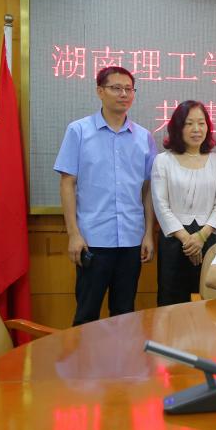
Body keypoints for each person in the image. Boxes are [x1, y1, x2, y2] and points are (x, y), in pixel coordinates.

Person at [54, 66, 157, 326]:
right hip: (92, 240)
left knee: (124, 314)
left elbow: (147, 189)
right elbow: (67, 183)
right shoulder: (78, 131)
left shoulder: (143, 137)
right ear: (100, 91)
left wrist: (148, 233)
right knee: (87, 315)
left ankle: (120, 356)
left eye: (129, 89)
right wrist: (74, 234)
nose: (123, 94)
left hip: (131, 240)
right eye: (116, 88)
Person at [151, 100, 216, 306]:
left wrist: (201, 237)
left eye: (201, 123)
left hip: (207, 237)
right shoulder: (163, 161)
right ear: (178, 127)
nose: (196, 129)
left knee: (207, 300)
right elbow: (160, 204)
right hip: (174, 239)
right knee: (171, 300)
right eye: (189, 123)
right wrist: (188, 240)